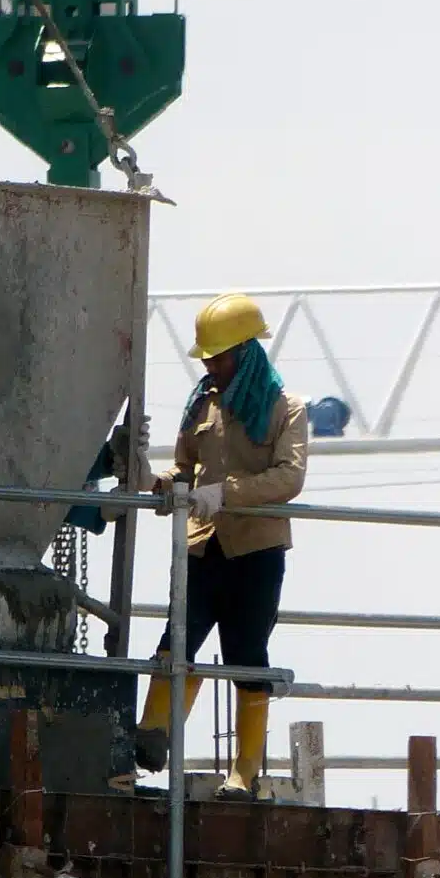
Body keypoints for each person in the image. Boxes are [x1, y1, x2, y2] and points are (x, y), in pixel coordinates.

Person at [135, 292, 308, 800]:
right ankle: (153, 733)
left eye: (220, 357)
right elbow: (185, 470)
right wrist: (160, 482)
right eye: (207, 358)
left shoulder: (287, 410)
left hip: (256, 551)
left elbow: (288, 478)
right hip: (203, 546)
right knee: (177, 640)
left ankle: (245, 770)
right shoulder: (201, 406)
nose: (211, 366)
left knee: (246, 653)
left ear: (247, 353)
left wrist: (224, 494)